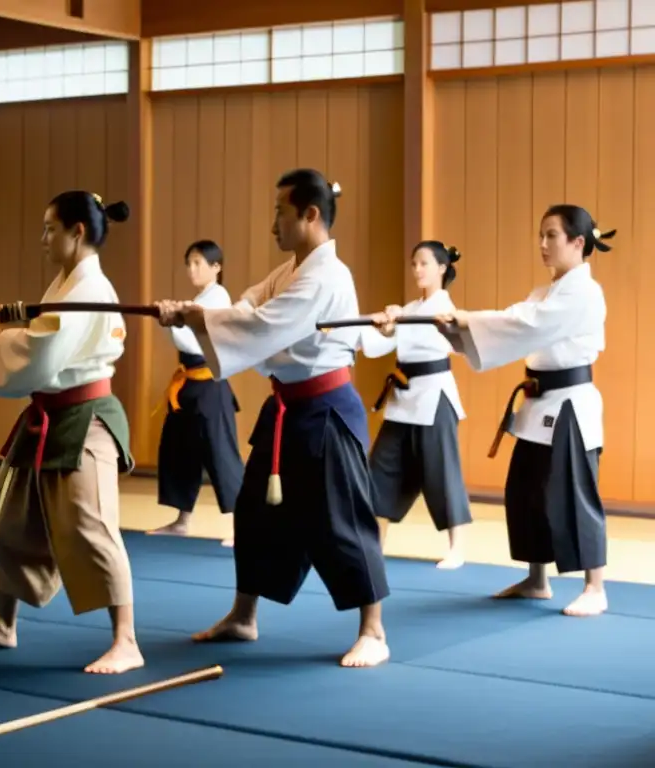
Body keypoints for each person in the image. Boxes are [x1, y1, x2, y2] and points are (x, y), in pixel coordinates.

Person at [157, 168, 391, 668]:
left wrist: (200, 318)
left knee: (342, 519)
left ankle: (373, 629)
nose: (273, 224)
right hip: (286, 408)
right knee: (255, 513)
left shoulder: (327, 275)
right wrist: (201, 315)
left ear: (310, 214)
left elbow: (265, 322)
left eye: (280, 212)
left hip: (327, 410)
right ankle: (244, 616)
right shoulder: (294, 269)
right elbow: (249, 300)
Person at [0, 190, 144, 675]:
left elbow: (39, 354)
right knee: (13, 529)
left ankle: (126, 640)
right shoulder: (66, 285)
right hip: (51, 417)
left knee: (92, 526)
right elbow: (41, 340)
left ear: (76, 231)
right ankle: (4, 623)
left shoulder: (88, 289)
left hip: (87, 418)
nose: (43, 238)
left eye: (49, 228)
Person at [433, 205, 613, 618]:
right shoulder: (543, 292)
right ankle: (537, 579)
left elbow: (526, 324)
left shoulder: (585, 293)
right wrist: (455, 333)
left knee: (574, 494)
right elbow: (514, 336)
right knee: (527, 492)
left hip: (570, 405)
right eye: (541, 235)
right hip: (537, 405)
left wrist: (464, 318)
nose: (543, 244)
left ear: (577, 243)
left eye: (552, 235)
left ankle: (595, 586)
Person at [360, 241, 472, 569]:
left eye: (424, 263)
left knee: (441, 470)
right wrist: (383, 325)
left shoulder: (445, 310)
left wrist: (400, 321)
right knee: (381, 468)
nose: (418, 270)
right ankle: (373, 543)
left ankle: (457, 547)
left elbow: (436, 340)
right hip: (403, 399)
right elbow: (379, 348)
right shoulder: (410, 309)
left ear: (442, 268)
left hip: (434, 397)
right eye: (414, 264)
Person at [147, 240, 243, 547]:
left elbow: (198, 344)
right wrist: (171, 319)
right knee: (179, 449)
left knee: (221, 454)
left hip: (210, 388)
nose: (192, 269)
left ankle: (244, 525)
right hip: (187, 386)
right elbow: (183, 339)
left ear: (217, 267)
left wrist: (173, 321)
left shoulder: (219, 299)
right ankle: (182, 521)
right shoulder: (201, 299)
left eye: (199, 262)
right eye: (189, 263)